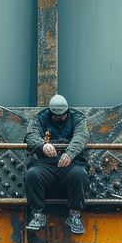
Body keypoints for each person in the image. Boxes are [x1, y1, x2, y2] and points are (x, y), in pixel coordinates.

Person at [24, 94, 89, 234]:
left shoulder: (78, 119)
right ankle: (38, 214)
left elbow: (81, 137)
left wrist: (70, 153)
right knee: (32, 174)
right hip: (45, 164)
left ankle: (75, 216)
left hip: (70, 164)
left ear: (67, 112)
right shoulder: (40, 118)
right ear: (50, 113)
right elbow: (31, 135)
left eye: (62, 116)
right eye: (56, 116)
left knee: (79, 174)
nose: (59, 118)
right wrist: (42, 145)